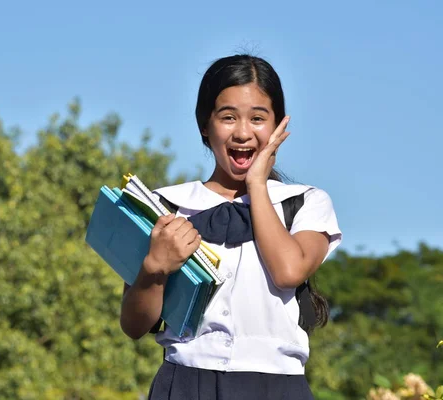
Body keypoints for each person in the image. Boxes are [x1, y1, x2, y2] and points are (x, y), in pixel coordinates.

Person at [119, 54, 342, 399]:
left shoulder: (305, 203)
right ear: (204, 126)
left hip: (276, 386)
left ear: (279, 126)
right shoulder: (165, 206)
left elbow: (288, 272)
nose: (242, 132)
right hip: (184, 383)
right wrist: (154, 268)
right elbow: (134, 325)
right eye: (227, 117)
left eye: (257, 118)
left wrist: (256, 183)